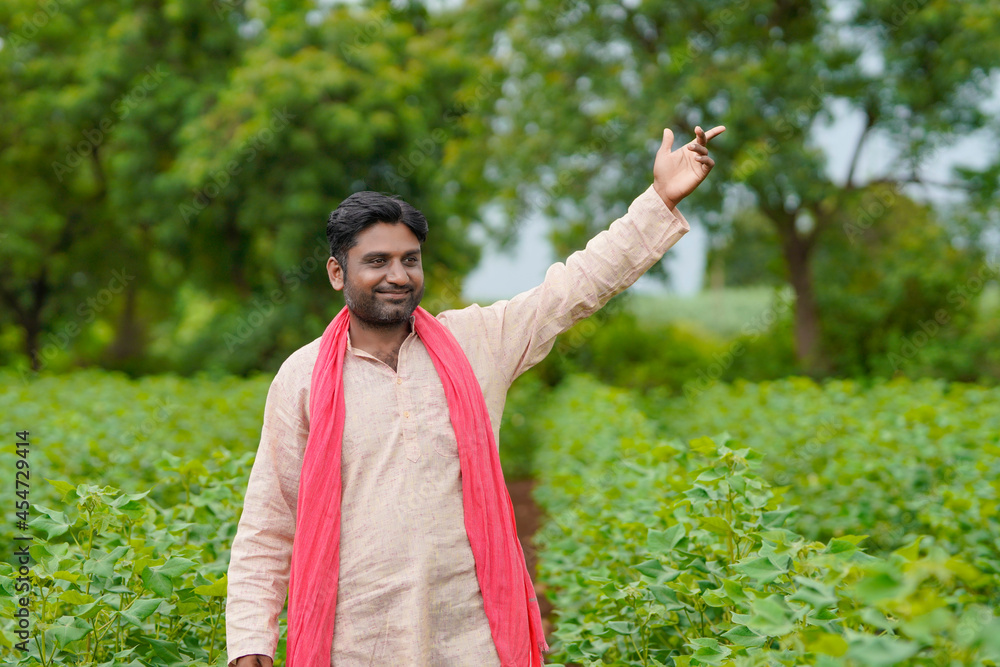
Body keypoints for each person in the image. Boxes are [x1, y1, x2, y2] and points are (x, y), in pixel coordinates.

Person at [225, 124, 725, 667]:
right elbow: (269, 521)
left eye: (409, 259)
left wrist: (658, 201)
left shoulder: (475, 342)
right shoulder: (301, 378)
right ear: (336, 272)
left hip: (473, 638)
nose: (398, 275)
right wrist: (250, 644)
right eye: (377, 262)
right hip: (355, 641)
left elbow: (574, 287)